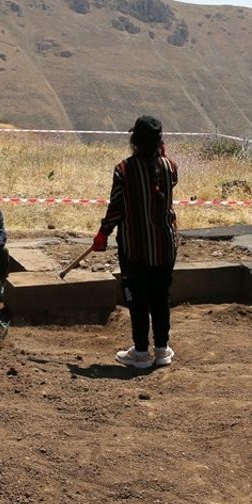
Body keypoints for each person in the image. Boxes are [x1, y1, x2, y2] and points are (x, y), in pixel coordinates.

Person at [91, 115, 179, 369]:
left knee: (138, 299)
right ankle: (162, 350)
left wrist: (102, 233)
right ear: (160, 141)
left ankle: (141, 352)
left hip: (135, 248)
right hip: (164, 246)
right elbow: (167, 184)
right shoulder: (170, 167)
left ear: (134, 141)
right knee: (161, 297)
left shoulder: (123, 170)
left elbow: (116, 208)